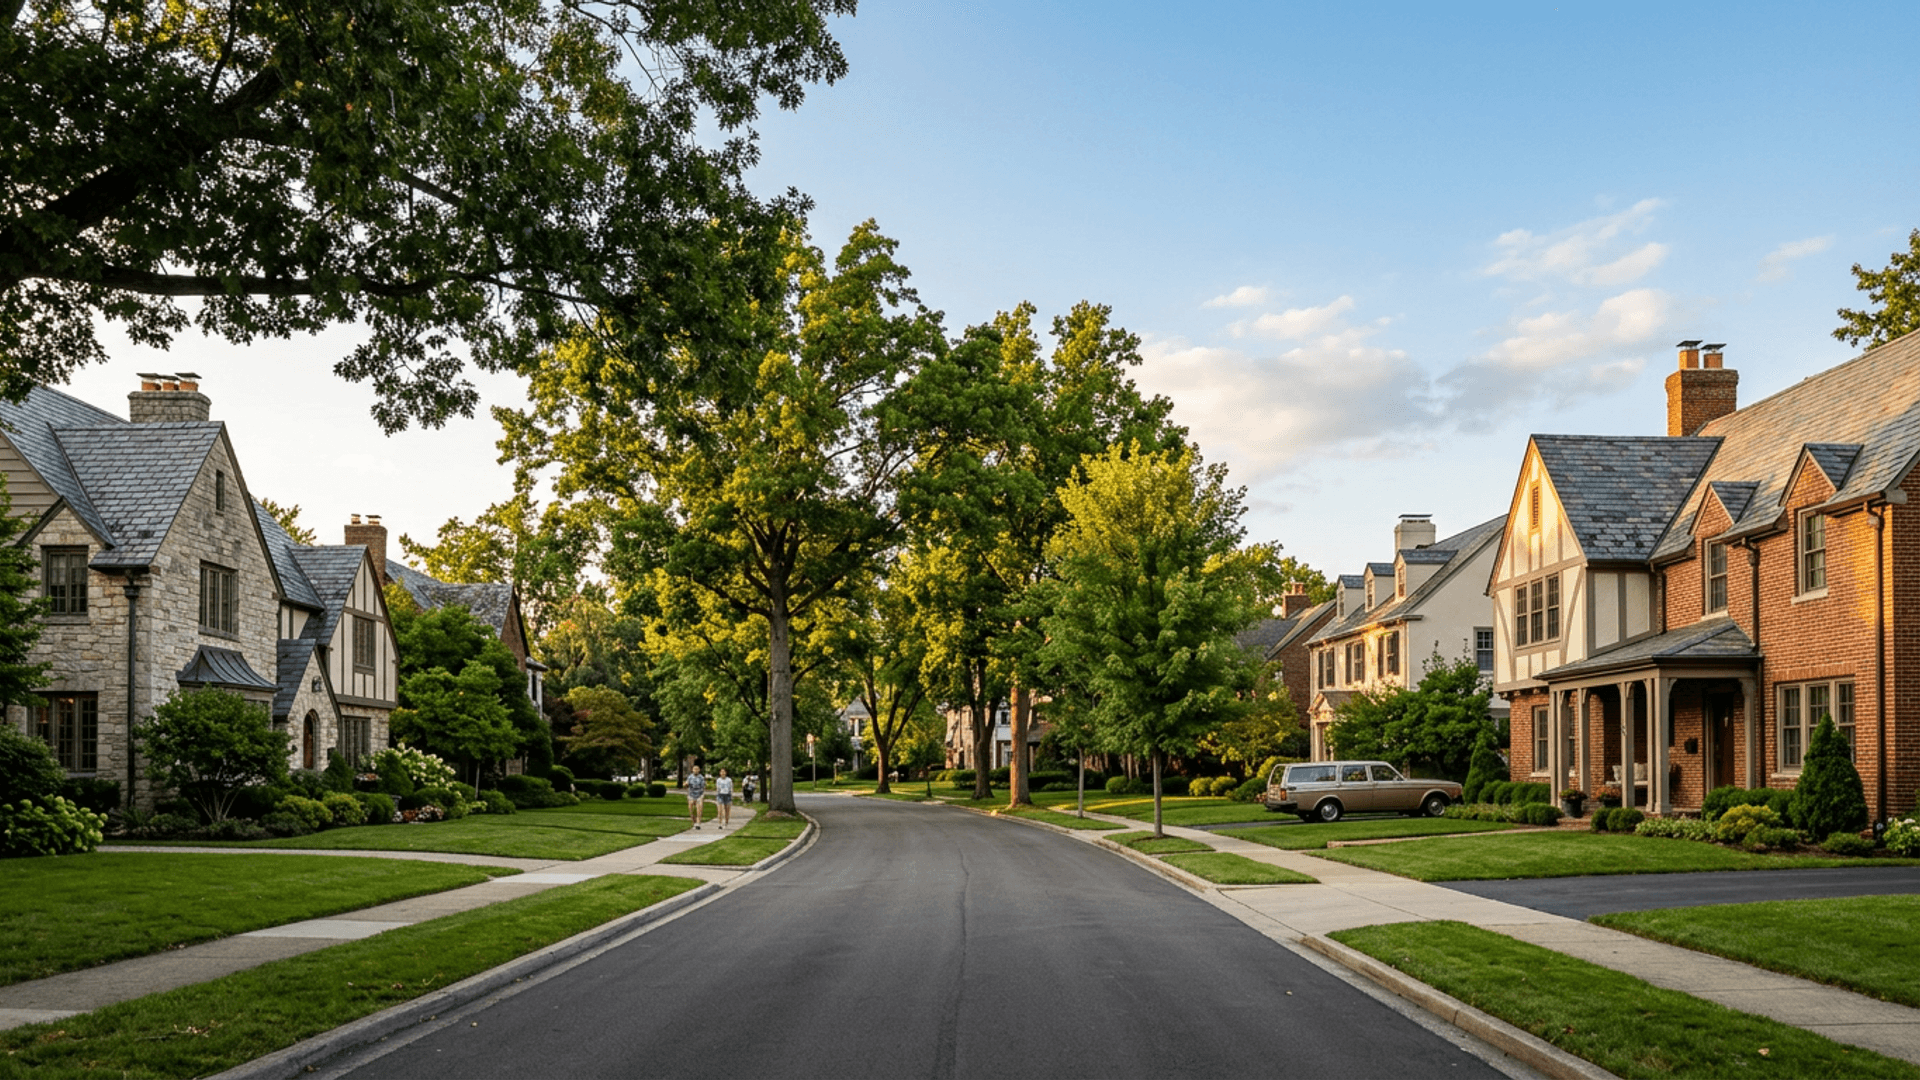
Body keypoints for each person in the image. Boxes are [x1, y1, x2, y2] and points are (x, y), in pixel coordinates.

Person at [686, 764, 707, 829]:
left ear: (699, 770)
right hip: (691, 795)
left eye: (697, 769)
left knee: (699, 810)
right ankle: (694, 822)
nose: (696, 770)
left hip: (699, 795)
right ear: (692, 770)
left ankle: (698, 823)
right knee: (691, 810)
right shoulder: (690, 777)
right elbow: (687, 783)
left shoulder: (701, 777)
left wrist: (703, 795)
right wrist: (685, 784)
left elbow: (703, 786)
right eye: (694, 769)